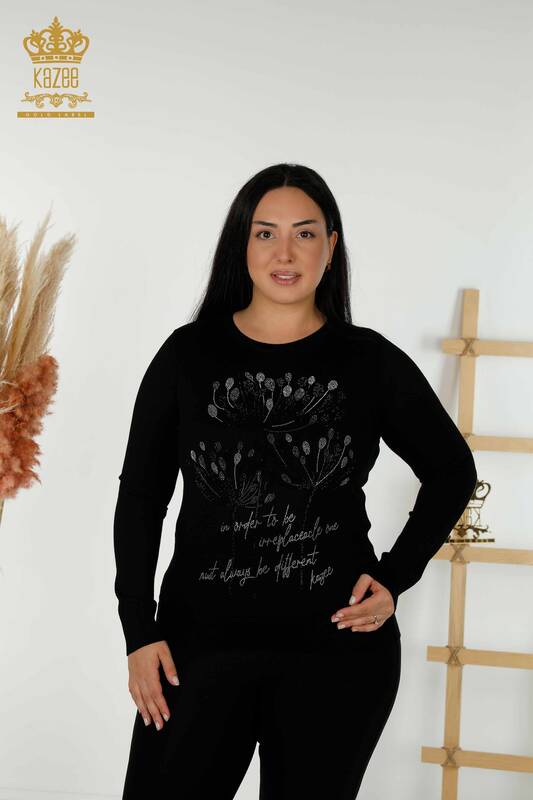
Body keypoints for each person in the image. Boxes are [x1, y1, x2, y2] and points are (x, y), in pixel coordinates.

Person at [113, 162, 478, 799]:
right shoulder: (187, 357)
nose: (285, 253)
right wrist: (139, 632)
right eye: (266, 233)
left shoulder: (368, 361)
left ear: (330, 247)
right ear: (242, 245)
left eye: (305, 234)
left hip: (335, 654)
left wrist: (394, 577)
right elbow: (141, 499)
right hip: (197, 650)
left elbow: (453, 471)